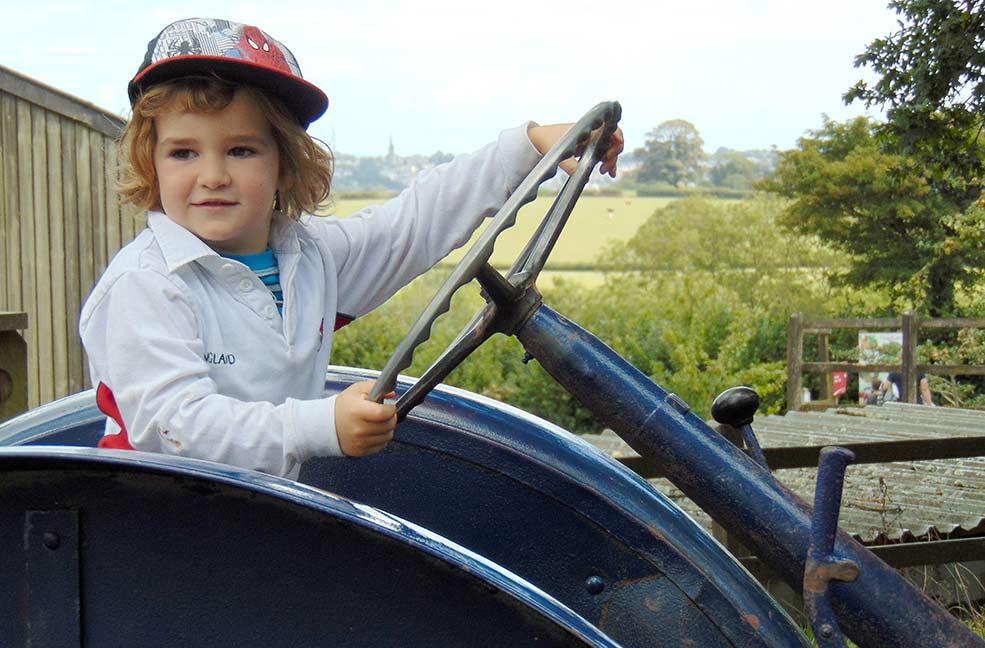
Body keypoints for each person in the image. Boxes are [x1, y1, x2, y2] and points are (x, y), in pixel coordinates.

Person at [78, 17, 624, 479]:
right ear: (151, 163)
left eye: (241, 150)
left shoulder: (309, 259)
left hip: (260, 518)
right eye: (183, 153)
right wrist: (320, 425)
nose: (213, 175)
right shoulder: (146, 285)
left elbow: (412, 223)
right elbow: (176, 427)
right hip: (156, 533)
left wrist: (528, 148)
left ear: (284, 163)